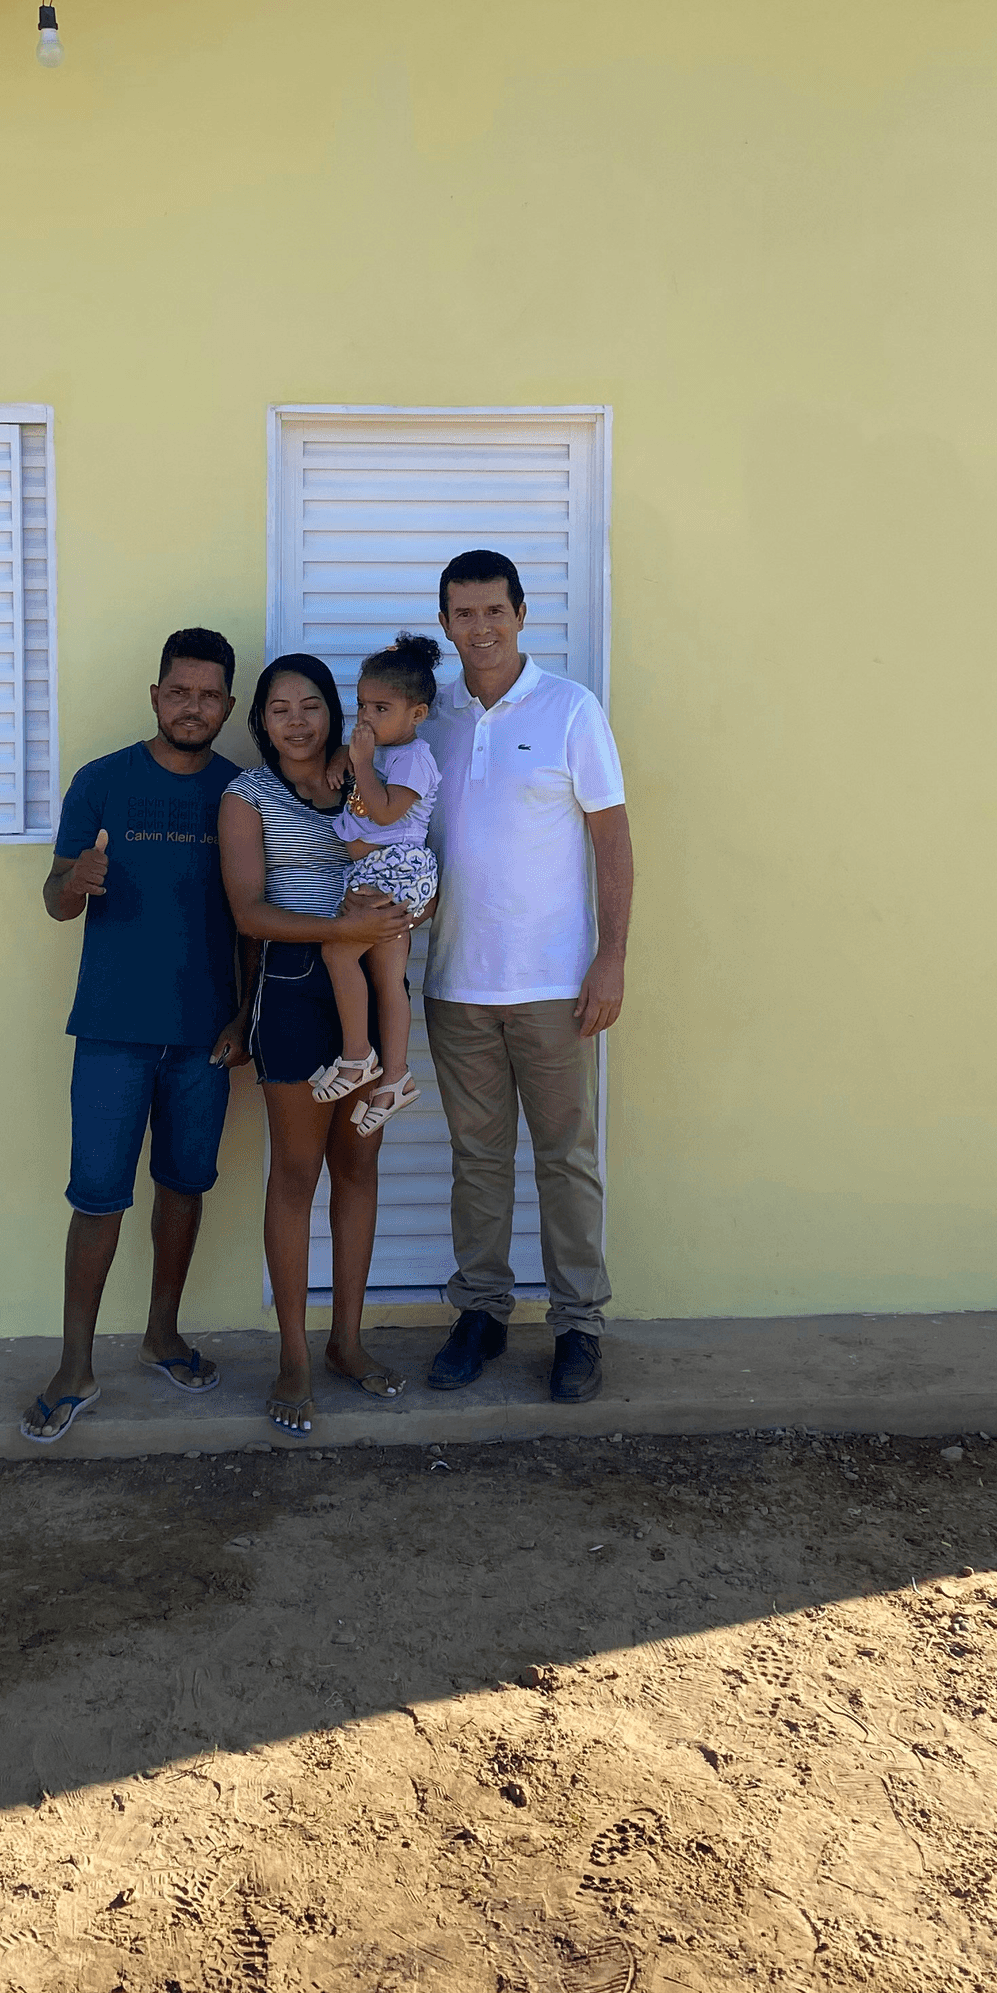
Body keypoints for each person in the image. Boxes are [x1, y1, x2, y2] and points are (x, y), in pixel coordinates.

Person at [19, 628, 248, 1444]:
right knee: (97, 1198)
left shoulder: (241, 792)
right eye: (179, 692)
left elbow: (252, 921)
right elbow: (54, 896)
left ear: (228, 702)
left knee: (186, 1186)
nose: (194, 706)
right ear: (156, 696)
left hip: (205, 1038)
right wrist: (74, 882)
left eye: (210, 694)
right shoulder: (102, 782)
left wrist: (243, 1015)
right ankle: (75, 1365)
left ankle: (162, 1333)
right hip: (112, 1031)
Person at [421, 551, 633, 1407]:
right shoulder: (429, 715)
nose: (480, 628)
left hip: (551, 984)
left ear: (520, 614)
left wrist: (610, 956)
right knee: (476, 1160)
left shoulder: (570, 709)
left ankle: (578, 1324)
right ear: (444, 622)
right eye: (463, 613)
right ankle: (482, 1312)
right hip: (456, 983)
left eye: (493, 611)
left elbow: (612, 841)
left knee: (564, 1159)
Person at [219, 654, 413, 1438]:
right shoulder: (246, 797)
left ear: (333, 712)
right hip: (298, 989)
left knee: (359, 1165)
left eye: (309, 705)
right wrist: (343, 929)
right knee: (297, 1173)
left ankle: (347, 1342)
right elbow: (249, 913)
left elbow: (410, 851)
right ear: (260, 722)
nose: (296, 720)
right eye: (278, 709)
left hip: (372, 985)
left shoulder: (369, 779)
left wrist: (401, 919)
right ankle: (293, 1355)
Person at [317, 633, 443, 1133]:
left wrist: (362, 763)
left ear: (417, 714)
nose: (366, 717)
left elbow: (388, 813)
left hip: (394, 868)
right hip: (380, 866)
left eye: (382, 707)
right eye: (362, 704)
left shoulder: (412, 758)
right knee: (388, 978)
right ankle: (395, 1078)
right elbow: (353, 767)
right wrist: (341, 761)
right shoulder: (378, 748)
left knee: (338, 952)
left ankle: (357, 1056)